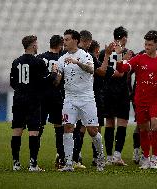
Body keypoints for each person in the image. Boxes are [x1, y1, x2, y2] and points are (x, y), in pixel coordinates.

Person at [116, 30, 157, 169]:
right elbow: (121, 68)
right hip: (141, 99)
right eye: (146, 44)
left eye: (150, 44)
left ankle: (154, 158)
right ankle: (145, 156)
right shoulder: (139, 58)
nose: (147, 47)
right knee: (143, 129)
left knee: (156, 125)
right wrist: (119, 54)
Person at [55, 29, 105, 172]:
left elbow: (91, 69)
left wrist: (77, 62)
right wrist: (54, 73)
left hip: (86, 98)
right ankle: (69, 163)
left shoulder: (84, 55)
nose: (64, 42)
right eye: (64, 39)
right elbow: (58, 81)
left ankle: (100, 157)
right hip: (70, 98)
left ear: (75, 40)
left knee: (92, 130)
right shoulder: (61, 58)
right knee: (68, 128)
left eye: (67, 39)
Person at [10, 35, 57, 171]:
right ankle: (33, 164)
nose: (37, 46)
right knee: (33, 131)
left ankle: (16, 163)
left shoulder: (16, 62)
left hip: (18, 99)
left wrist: (21, 90)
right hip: (33, 100)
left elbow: (12, 83)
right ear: (33, 45)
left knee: (17, 130)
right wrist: (54, 72)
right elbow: (46, 81)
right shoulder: (38, 62)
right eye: (36, 43)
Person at [98, 26, 132, 166]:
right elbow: (123, 73)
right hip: (121, 91)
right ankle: (117, 155)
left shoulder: (103, 53)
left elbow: (102, 71)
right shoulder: (128, 53)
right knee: (122, 123)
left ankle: (110, 156)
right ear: (124, 38)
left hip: (107, 91)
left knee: (110, 123)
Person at [36, 35, 65, 169]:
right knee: (59, 129)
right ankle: (60, 159)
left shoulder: (40, 58)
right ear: (60, 45)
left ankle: (33, 159)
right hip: (56, 97)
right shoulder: (61, 59)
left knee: (38, 129)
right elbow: (58, 81)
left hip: (41, 97)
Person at [72, 30, 93, 169]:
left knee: (73, 127)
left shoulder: (68, 55)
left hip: (71, 95)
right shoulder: (86, 55)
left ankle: (68, 155)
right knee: (80, 128)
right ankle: (74, 158)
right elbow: (94, 70)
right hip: (81, 96)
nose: (87, 44)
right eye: (87, 42)